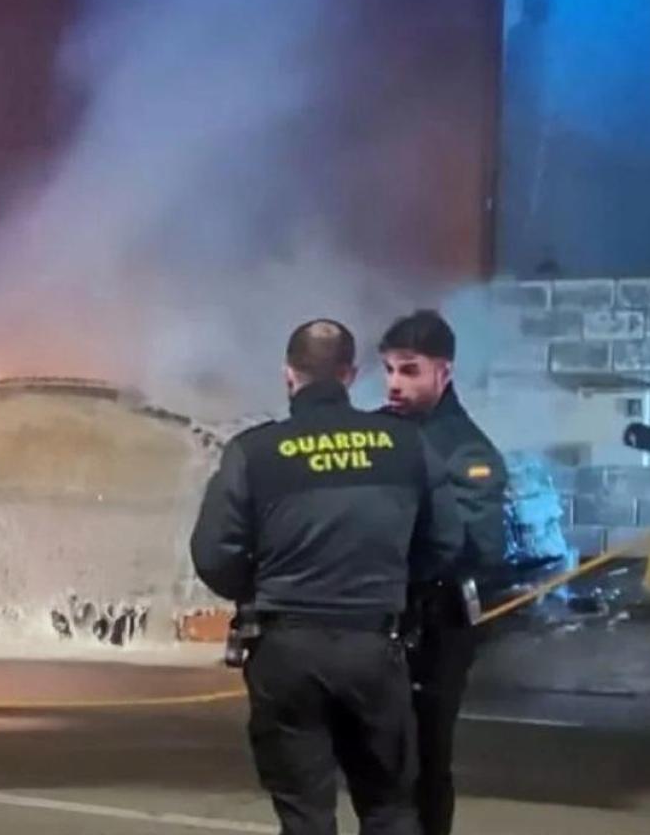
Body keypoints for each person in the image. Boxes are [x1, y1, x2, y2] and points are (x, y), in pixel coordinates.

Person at [192, 319, 463, 835]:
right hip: (373, 647)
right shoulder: (405, 445)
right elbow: (445, 543)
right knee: (389, 807)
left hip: (285, 649)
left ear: (289, 375)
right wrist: (390, 586)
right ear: (350, 374)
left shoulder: (254, 452)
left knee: (305, 814)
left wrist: (263, 586)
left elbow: (214, 555)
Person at [377, 309, 508, 835]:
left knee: (425, 763)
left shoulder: (468, 451)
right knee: (378, 764)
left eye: (409, 370)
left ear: (443, 373)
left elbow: (477, 546)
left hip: (435, 626)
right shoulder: (378, 432)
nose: (394, 384)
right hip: (381, 623)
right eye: (388, 369)